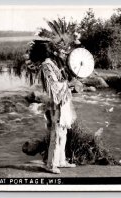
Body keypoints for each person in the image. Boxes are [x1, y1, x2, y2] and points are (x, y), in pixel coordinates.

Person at [40, 45, 77, 174]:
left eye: (66, 51)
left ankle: (61, 161)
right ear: (55, 52)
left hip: (63, 101)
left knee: (63, 133)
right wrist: (67, 84)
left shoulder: (57, 63)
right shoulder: (46, 65)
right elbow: (53, 86)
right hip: (55, 103)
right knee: (56, 133)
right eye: (62, 51)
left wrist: (70, 81)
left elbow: (63, 81)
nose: (65, 54)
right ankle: (50, 164)